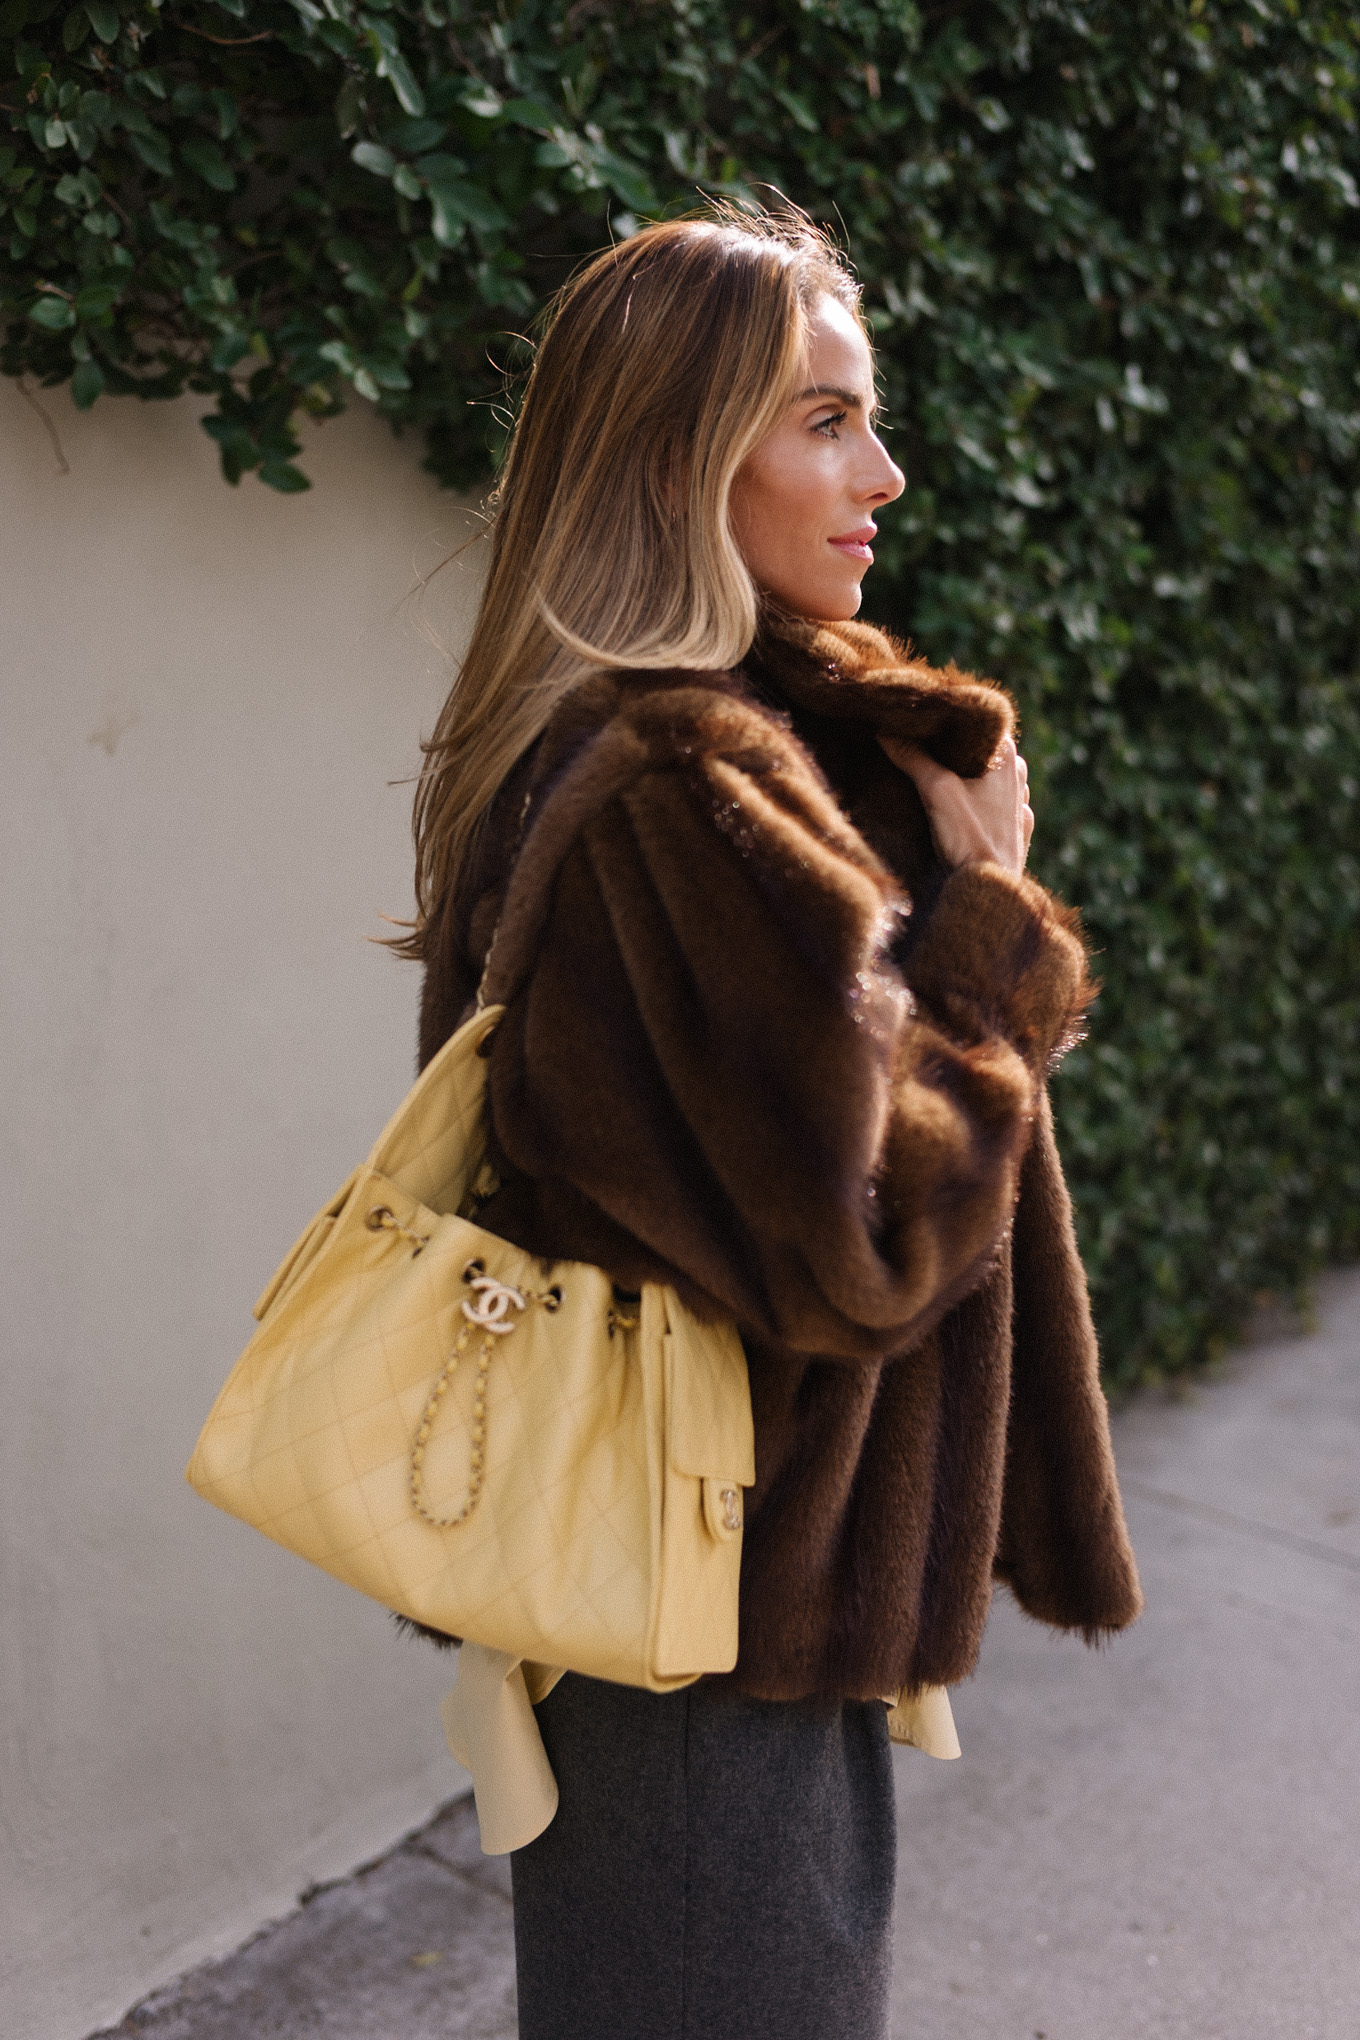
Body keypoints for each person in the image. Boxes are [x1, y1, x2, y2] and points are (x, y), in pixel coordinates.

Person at [399, 204, 1141, 2040]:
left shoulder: (704, 750)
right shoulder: (686, 791)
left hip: (727, 1605)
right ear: (674, 452)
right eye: (822, 420)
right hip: (706, 1630)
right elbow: (867, 1244)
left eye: (865, 416)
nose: (882, 471)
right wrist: (998, 930)